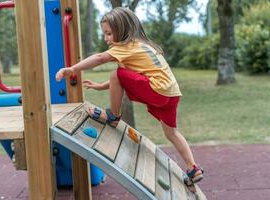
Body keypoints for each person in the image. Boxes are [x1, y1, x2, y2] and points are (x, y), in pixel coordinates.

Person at [56, 7, 203, 184]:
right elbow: (131, 78)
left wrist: (73, 68)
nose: (106, 38)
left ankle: (113, 116)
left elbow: (101, 58)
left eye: (109, 33)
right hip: (171, 93)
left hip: (157, 90)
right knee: (171, 132)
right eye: (104, 34)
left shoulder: (125, 47)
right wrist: (102, 86)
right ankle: (192, 168)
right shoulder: (141, 45)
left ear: (122, 29)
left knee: (116, 72)